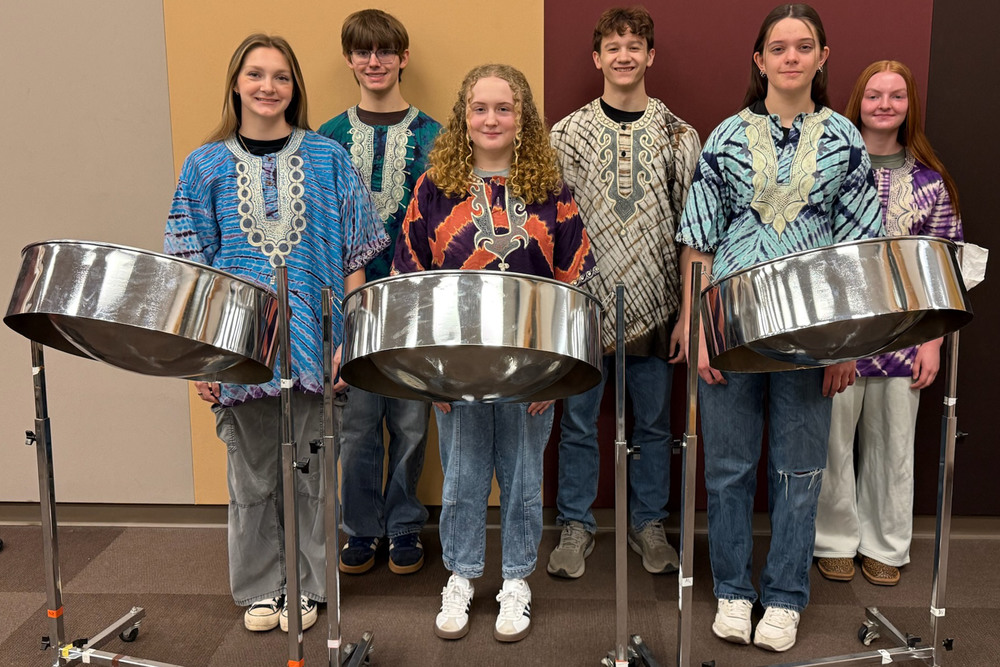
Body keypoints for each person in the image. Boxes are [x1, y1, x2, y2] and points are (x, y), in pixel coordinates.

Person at [672, 4, 882, 652]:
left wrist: (851, 343)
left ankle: (786, 596)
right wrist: (696, 324)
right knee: (729, 468)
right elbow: (699, 241)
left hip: (814, 330)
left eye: (804, 46)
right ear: (759, 59)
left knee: (798, 471)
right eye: (778, 47)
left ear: (822, 58)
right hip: (732, 325)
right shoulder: (726, 137)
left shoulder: (846, 140)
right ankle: (734, 590)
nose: (791, 57)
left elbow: (861, 247)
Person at [164, 33, 387, 634]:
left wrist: (351, 339)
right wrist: (201, 363)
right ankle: (264, 586)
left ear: (296, 88)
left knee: (314, 475)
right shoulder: (204, 166)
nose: (268, 87)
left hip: (319, 345)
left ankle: (311, 586)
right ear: (236, 83)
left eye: (281, 77)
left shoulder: (328, 158)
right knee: (254, 476)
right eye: (256, 75)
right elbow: (191, 273)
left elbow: (355, 259)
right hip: (239, 352)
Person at [392, 63, 597, 643]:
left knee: (524, 476)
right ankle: (459, 574)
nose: (491, 119)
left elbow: (574, 276)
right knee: (461, 476)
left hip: (530, 368)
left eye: (503, 108)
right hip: (454, 367)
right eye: (480, 108)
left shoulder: (549, 189)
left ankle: (516, 580)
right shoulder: (435, 188)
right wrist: (429, 373)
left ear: (522, 118)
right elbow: (411, 278)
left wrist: (553, 373)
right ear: (464, 116)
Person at [547, 5, 701, 580]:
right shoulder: (567, 135)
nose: (624, 55)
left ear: (650, 56)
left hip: (657, 302)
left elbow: (694, 228)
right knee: (580, 423)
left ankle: (648, 523)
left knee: (654, 425)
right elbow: (553, 224)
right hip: (585, 306)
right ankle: (576, 524)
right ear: (597, 58)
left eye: (635, 45)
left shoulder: (679, 134)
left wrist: (689, 310)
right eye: (613, 46)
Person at [813, 60, 963, 587]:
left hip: (906, 337)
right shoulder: (830, 169)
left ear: (909, 106)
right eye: (874, 95)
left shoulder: (930, 183)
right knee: (832, 443)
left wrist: (934, 342)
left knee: (893, 445)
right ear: (858, 100)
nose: (883, 104)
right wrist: (828, 339)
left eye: (895, 96)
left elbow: (946, 268)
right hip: (842, 334)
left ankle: (886, 544)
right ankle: (833, 539)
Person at [318, 9, 441, 577]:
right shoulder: (328, 138)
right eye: (363, 52)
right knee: (359, 423)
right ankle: (360, 526)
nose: (375, 61)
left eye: (385, 51)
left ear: (403, 58)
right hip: (353, 303)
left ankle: (404, 523)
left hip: (414, 304)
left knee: (411, 424)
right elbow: (324, 228)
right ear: (349, 59)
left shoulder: (435, 136)